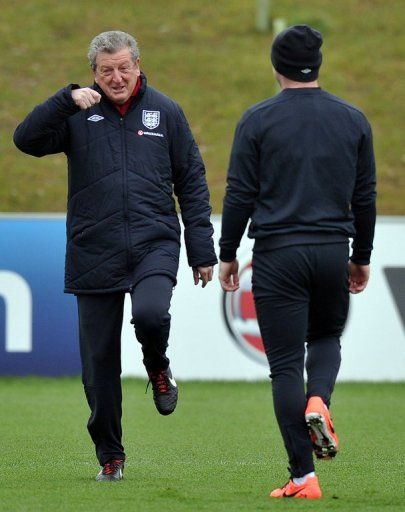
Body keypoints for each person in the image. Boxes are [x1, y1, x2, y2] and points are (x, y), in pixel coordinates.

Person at [14, 30, 217, 481]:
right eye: (106, 70)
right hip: (94, 248)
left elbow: (192, 182)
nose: (117, 77)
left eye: (124, 67)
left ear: (138, 66)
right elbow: (24, 139)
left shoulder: (165, 111)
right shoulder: (77, 112)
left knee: (149, 315)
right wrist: (66, 99)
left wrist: (202, 249)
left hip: (154, 242)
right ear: (93, 74)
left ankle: (157, 366)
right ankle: (111, 455)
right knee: (98, 369)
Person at [219, 25, 376, 499]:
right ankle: (319, 401)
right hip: (331, 249)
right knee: (326, 336)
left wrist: (227, 254)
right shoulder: (353, 120)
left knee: (285, 363)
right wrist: (361, 257)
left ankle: (304, 477)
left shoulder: (257, 119)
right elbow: (365, 196)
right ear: (318, 66)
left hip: (278, 254)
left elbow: (240, 193)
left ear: (275, 67)